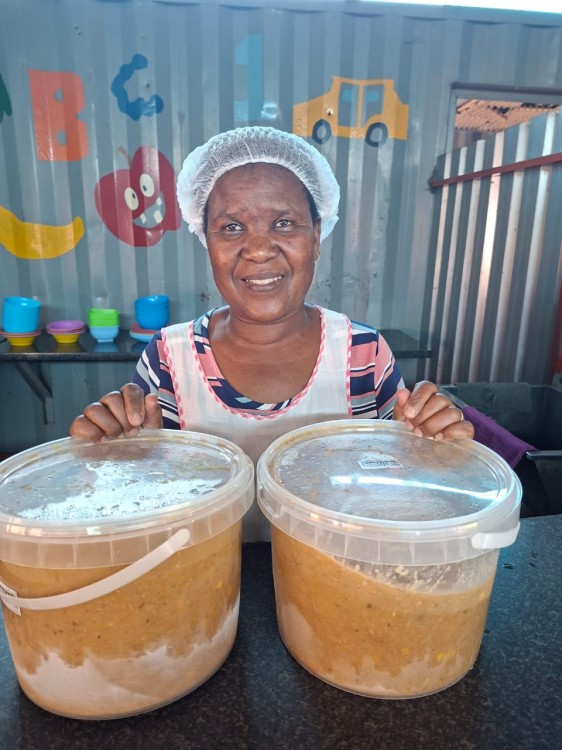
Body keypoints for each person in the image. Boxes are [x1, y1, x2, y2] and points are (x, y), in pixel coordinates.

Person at [70, 126, 474, 540]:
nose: (260, 249)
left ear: (316, 235)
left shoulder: (363, 353)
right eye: (231, 227)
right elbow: (142, 495)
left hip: (328, 568)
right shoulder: (168, 358)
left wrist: (429, 448)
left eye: (284, 223)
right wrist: (124, 454)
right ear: (206, 240)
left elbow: (396, 490)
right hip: (204, 570)